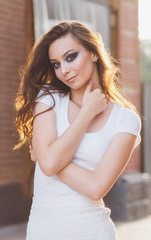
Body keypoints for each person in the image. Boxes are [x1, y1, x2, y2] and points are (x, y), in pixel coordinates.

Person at [14, 21, 141, 240]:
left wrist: (46, 155)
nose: (64, 70)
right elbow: (50, 163)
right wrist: (86, 114)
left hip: (94, 231)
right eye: (56, 64)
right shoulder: (48, 100)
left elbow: (95, 188)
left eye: (70, 57)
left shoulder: (125, 120)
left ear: (93, 53)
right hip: (43, 231)